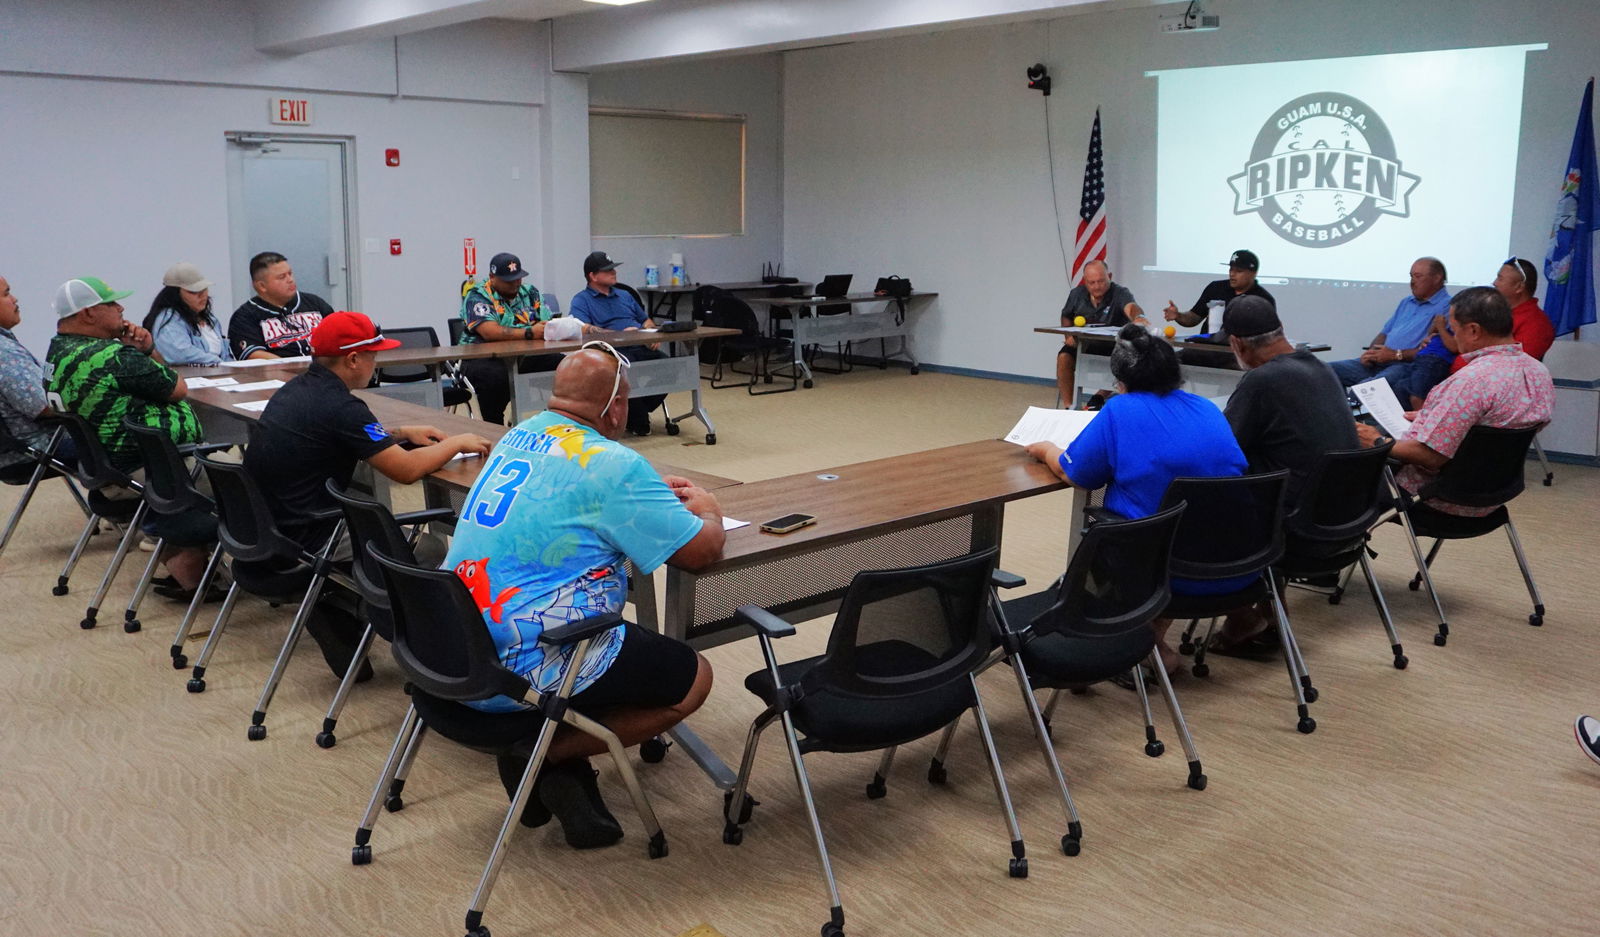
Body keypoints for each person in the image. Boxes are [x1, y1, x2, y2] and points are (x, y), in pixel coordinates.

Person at [443, 343, 719, 848]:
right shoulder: (615, 464)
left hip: (450, 647)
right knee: (692, 678)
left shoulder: (520, 433)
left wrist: (643, 489)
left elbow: (570, 478)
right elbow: (699, 552)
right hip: (526, 662)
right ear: (616, 406)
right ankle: (546, 752)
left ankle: (563, 769)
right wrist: (709, 508)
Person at [244, 311, 492, 677]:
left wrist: (402, 431)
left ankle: (341, 603)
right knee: (432, 548)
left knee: (385, 532)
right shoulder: (342, 406)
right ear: (353, 359)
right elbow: (404, 471)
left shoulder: (300, 388)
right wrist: (455, 442)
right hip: (311, 533)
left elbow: (342, 433)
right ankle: (416, 642)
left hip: (271, 525)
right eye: (373, 354)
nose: (377, 362)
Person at [1025, 323, 1249, 676]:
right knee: (1174, 522)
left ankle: (1140, 647)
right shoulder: (1206, 409)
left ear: (1121, 382)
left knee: (1133, 532)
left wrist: (1046, 449)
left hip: (1162, 570)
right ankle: (1153, 643)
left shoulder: (1120, 410)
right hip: (1233, 562)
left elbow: (1076, 474)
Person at [1209, 296, 1358, 655]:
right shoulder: (1321, 367)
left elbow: (1222, 452)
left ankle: (1244, 620)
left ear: (1237, 344)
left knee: (1195, 507)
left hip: (1298, 528)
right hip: (1348, 522)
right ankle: (1271, 620)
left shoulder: (1262, 381)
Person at [46, 276, 212, 594]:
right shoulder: (114, 357)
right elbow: (178, 387)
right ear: (89, 314)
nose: (121, 307)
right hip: (155, 466)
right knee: (247, 479)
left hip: (108, 466)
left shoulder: (58, 352)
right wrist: (147, 350)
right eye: (111, 303)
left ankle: (187, 564)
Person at [1355, 286, 1553, 518]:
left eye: (1453, 328)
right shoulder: (1539, 373)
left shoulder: (1470, 381)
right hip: (1495, 496)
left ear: (1473, 330)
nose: (1452, 334)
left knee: (1337, 475)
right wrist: (1447, 417)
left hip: (1437, 499)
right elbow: (1505, 425)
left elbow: (1429, 456)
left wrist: (1377, 440)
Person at [458, 251, 565, 425]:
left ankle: (554, 422)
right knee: (495, 379)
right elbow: (489, 331)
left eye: (518, 278)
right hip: (481, 357)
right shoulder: (478, 295)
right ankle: (495, 430)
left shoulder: (529, 292)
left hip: (524, 354)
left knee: (565, 366)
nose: (515, 284)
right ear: (492, 277)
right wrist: (529, 332)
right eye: (509, 281)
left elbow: (545, 323)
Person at [569, 251, 665, 436]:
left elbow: (646, 321)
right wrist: (620, 335)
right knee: (626, 371)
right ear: (593, 276)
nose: (614, 272)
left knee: (673, 367)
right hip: (613, 351)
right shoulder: (582, 300)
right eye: (607, 270)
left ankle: (639, 409)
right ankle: (636, 415)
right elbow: (582, 329)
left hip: (640, 346)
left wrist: (650, 334)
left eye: (613, 268)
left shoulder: (625, 295)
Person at [1328, 257, 1451, 395]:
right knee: (1324, 372)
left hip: (1405, 366)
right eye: (1411, 276)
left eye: (1418, 276)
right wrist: (1371, 353)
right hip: (1379, 362)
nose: (1412, 282)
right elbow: (1384, 333)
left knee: (1365, 390)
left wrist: (1395, 355)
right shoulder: (1406, 302)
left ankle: (1350, 415)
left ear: (1437, 278)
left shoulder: (1448, 307)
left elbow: (1432, 352)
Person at [0, 275, 77, 481]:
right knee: (135, 443)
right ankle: (138, 509)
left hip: (16, 450)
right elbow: (45, 406)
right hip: (37, 448)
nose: (15, 299)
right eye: (6, 294)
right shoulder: (3, 353)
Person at [1056, 259, 1147, 407]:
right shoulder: (1076, 294)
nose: (1097, 287)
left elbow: (1131, 307)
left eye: (1101, 281)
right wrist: (1068, 335)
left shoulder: (1120, 293)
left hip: (1113, 346)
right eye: (1092, 283)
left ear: (1109, 276)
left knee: (1128, 359)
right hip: (1084, 344)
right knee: (1064, 357)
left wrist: (1139, 317)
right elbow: (1066, 315)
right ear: (1085, 281)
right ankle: (1069, 407)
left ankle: (1098, 397)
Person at [1445, 256, 1555, 374]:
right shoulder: (1496, 312)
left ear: (1519, 287)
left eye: (1500, 278)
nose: (1494, 283)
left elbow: (1515, 367)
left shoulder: (1536, 325)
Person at [228, 251, 336, 360]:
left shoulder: (314, 303)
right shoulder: (244, 317)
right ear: (262, 286)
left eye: (290, 273)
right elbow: (254, 355)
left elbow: (339, 335)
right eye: (282, 277)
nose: (290, 280)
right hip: (277, 374)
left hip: (323, 370)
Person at [1163, 249, 1274, 334]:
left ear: (1253, 273)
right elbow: (1194, 318)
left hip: (1239, 355)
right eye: (1231, 269)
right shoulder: (1215, 288)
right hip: (1206, 348)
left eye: (1238, 271)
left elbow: (1265, 336)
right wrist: (1178, 315)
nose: (1232, 274)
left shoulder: (1263, 299)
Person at [143, 262, 232, 366]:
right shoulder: (168, 319)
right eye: (194, 292)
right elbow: (181, 353)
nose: (202, 295)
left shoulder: (211, 319)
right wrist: (221, 364)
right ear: (176, 294)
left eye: (204, 289)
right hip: (190, 379)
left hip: (220, 376)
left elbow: (225, 355)